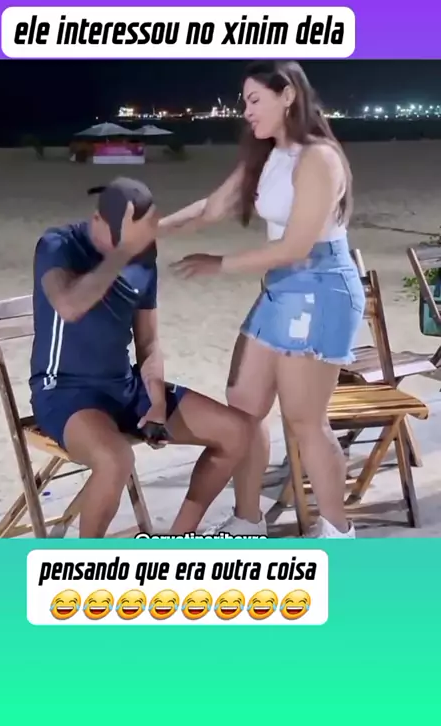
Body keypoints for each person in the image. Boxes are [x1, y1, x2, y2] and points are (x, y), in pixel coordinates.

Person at [159, 60, 366, 539]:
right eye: (245, 102)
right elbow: (212, 207)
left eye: (255, 100)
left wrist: (219, 264)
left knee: (305, 420)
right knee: (243, 405)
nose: (246, 111)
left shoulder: (318, 158)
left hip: (320, 287)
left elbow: (297, 246)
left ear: (287, 95)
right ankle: (248, 521)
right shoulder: (269, 154)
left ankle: (339, 534)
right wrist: (152, 229)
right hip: (280, 288)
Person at [29, 177, 254, 539]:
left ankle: (178, 540)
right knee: (115, 459)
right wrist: (122, 252)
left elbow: (148, 343)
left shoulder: (142, 256)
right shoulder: (58, 245)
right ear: (98, 219)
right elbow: (69, 305)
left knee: (237, 432)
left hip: (125, 386)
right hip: (65, 393)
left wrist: (158, 404)